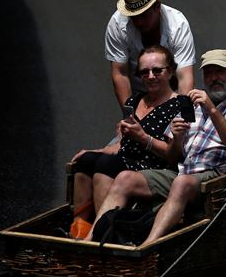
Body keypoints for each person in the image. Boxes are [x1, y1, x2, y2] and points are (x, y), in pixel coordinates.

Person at [85, 49, 226, 246]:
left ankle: (147, 247)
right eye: (209, 73)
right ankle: (91, 239)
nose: (214, 78)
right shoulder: (192, 104)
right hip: (182, 172)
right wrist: (178, 138)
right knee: (125, 177)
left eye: (220, 72)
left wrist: (212, 111)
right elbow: (173, 157)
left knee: (182, 183)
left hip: (217, 177)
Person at [68, 46, 182, 238]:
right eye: (144, 72)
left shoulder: (179, 105)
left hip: (153, 166)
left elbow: (173, 156)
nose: (150, 76)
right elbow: (123, 143)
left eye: (157, 70)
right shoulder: (135, 101)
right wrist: (97, 151)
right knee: (86, 160)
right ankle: (79, 229)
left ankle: (103, 232)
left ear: (170, 71)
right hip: (126, 158)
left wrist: (143, 138)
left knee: (107, 164)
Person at [105, 0, 196, 108]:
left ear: (157, 7)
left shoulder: (178, 25)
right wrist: (129, 115)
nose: (139, 22)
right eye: (134, 17)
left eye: (144, 15)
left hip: (171, 90)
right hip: (138, 91)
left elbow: (184, 76)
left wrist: (183, 116)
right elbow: (120, 73)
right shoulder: (118, 24)